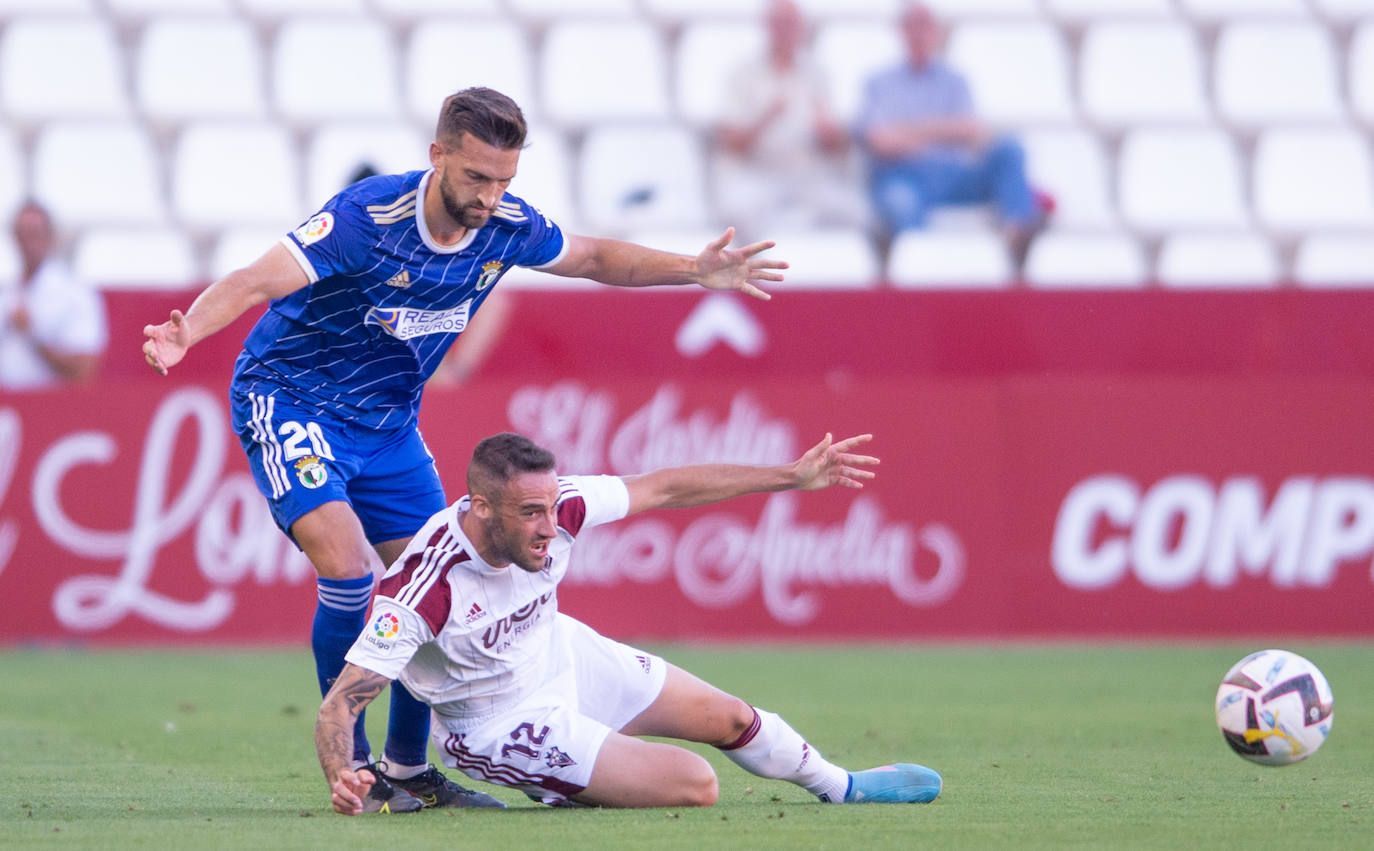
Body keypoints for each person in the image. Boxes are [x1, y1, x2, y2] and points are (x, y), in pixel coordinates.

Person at [142, 87, 786, 814]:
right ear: (438, 156)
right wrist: (186, 332)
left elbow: (594, 256)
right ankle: (355, 768)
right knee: (350, 568)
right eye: (477, 177)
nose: (490, 196)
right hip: (292, 398)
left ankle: (409, 769)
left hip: (386, 422)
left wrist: (694, 270)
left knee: (437, 575)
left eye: (504, 179)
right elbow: (259, 278)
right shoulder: (367, 218)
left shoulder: (505, 225)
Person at [316, 430, 942, 814]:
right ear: (481, 507)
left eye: (552, 507)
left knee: (728, 717)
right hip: (497, 721)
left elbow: (665, 487)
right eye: (530, 513)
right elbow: (340, 705)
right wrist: (344, 778)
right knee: (695, 785)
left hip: (561, 653)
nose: (548, 527)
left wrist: (790, 477)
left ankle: (842, 787)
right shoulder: (426, 586)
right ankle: (563, 782)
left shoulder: (563, 507)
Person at [856, 2, 1049, 274]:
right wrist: (941, 132)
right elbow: (879, 141)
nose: (919, 33)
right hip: (906, 178)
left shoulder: (955, 80)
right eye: (913, 25)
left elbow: (972, 132)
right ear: (901, 31)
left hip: (955, 175)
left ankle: (1018, 231)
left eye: (925, 26)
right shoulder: (879, 82)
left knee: (1010, 149)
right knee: (899, 204)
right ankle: (922, 277)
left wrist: (909, 131)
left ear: (936, 32)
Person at [712, 0, 868, 241]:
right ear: (768, 26)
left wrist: (829, 134)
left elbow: (838, 145)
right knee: (740, 213)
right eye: (780, 23)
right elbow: (730, 142)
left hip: (809, 175)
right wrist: (766, 118)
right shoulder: (743, 73)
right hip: (757, 174)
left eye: (792, 24)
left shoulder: (818, 73)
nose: (787, 30)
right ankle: (752, 276)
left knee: (856, 215)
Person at [1, 200, 107, 390]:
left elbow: (83, 370)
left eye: (34, 233)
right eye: (21, 233)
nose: (27, 243)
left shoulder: (74, 294)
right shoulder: (7, 292)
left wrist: (33, 336)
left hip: (51, 407)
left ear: (50, 237)